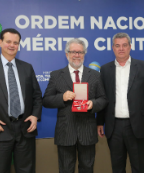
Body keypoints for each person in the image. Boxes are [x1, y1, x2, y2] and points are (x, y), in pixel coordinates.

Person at [0, 28, 42, 173]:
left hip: (25, 129)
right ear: (0, 42)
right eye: (8, 41)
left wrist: (35, 115)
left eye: (15, 43)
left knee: (27, 170)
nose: (12, 45)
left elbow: (37, 96)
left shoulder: (27, 68)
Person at [97, 33, 144, 173]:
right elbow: (103, 98)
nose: (121, 49)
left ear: (130, 47)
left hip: (137, 125)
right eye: (117, 46)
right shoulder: (105, 70)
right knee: (117, 168)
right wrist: (100, 122)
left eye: (125, 45)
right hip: (114, 127)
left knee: (138, 166)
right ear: (112, 48)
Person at [42, 38, 107, 173]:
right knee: (65, 169)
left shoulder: (95, 75)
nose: (77, 55)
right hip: (65, 132)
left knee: (87, 169)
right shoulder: (56, 75)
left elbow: (103, 99)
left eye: (80, 52)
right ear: (67, 54)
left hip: (87, 132)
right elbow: (46, 100)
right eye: (73, 52)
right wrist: (62, 97)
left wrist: (93, 104)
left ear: (84, 54)